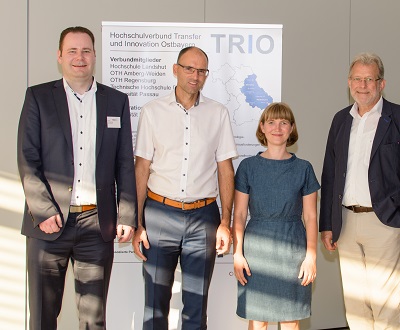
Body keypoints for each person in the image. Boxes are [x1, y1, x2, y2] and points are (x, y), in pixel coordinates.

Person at [17, 26, 137, 330]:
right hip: (49, 224)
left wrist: (127, 215)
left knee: (93, 318)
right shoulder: (39, 97)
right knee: (43, 316)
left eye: (85, 50)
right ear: (59, 56)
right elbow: (28, 158)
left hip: (97, 225)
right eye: (72, 50)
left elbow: (124, 163)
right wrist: (43, 211)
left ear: (95, 56)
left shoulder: (116, 101)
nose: (79, 57)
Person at [132, 46, 238, 330]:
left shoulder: (218, 113)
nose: (195, 76)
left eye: (201, 71)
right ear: (175, 69)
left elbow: (225, 169)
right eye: (189, 69)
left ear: (206, 75)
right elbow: (141, 168)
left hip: (203, 219)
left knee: (195, 308)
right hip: (158, 215)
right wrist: (137, 222)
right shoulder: (152, 112)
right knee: (155, 304)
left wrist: (225, 223)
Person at [320, 52, 400, 329]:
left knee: (383, 301)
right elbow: (330, 173)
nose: (362, 85)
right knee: (355, 302)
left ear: (382, 83)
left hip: (385, 221)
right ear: (348, 82)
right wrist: (327, 224)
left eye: (369, 79)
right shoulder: (340, 120)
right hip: (347, 221)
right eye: (356, 79)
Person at [233, 102, 320, 330]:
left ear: (292, 128)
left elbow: (311, 217)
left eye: (283, 122)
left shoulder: (304, 168)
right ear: (262, 127)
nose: (277, 128)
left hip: (293, 248)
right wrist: (237, 254)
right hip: (256, 250)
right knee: (258, 320)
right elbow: (240, 214)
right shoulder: (247, 167)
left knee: (290, 320)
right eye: (271, 122)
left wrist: (311, 256)